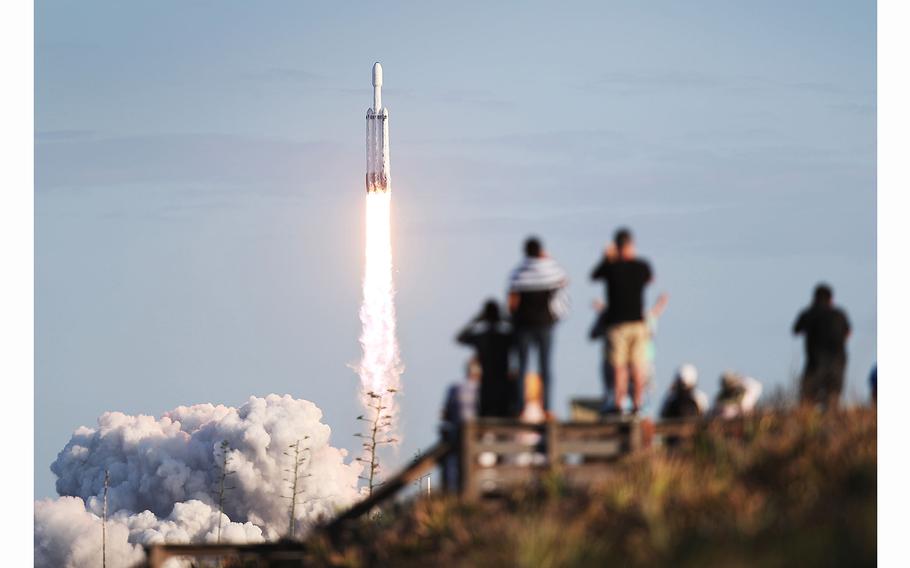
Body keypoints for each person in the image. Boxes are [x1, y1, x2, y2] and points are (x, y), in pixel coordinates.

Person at [590, 228, 653, 415]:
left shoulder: (610, 267)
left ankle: (619, 402)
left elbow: (594, 275)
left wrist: (607, 258)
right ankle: (637, 402)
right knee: (638, 365)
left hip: (617, 324)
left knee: (619, 367)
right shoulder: (641, 266)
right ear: (631, 245)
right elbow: (650, 279)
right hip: (638, 323)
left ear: (616, 247)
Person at [507, 237, 568, 416]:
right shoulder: (548, 270)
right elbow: (563, 280)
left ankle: (520, 406)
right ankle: (547, 406)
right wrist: (548, 259)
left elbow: (512, 302)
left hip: (523, 325)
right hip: (545, 324)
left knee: (523, 366)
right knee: (545, 367)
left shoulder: (518, 272)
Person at [590, 292, 668, 413]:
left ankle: (624, 405)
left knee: (627, 389)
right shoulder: (640, 317)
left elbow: (594, 334)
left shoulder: (613, 316)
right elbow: (654, 315)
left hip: (626, 365)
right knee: (637, 392)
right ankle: (631, 406)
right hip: (637, 366)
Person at [792, 284, 851, 408]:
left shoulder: (808, 313)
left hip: (816, 362)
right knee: (833, 399)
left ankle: (808, 424)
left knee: (807, 399)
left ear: (814, 298)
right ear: (831, 299)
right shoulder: (839, 314)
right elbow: (848, 334)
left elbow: (796, 330)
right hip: (838, 362)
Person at [456, 300, 515, 418]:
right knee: (504, 417)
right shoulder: (505, 337)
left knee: (484, 418)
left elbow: (460, 338)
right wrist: (505, 318)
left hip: (486, 384)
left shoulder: (481, 337)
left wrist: (476, 320)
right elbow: (520, 333)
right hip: (503, 383)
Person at [440, 358, 481, 491]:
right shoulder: (482, 391)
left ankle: (451, 493)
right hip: (478, 438)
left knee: (452, 464)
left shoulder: (455, 388)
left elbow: (445, 414)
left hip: (456, 434)